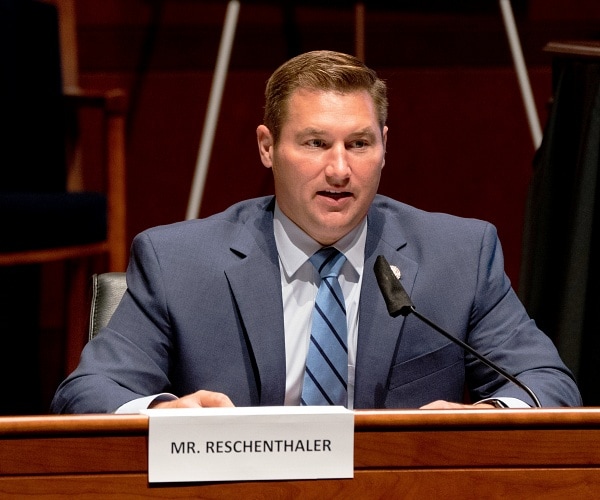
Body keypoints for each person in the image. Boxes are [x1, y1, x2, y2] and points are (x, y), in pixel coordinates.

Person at [51, 50, 581, 414]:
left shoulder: (459, 255)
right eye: (313, 143)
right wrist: (168, 415)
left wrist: (484, 417)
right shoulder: (178, 262)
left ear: (384, 146)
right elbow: (89, 391)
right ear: (266, 147)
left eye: (358, 144)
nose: (339, 170)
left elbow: (549, 384)